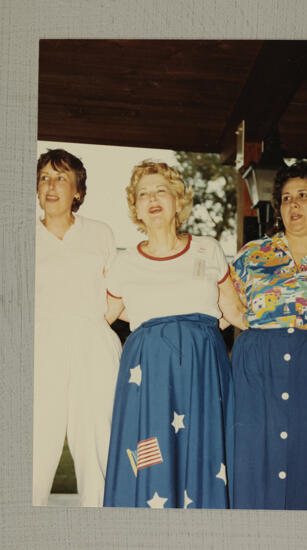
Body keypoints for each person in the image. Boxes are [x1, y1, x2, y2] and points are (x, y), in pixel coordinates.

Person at [103, 160, 246, 509]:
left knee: (204, 458)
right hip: (148, 377)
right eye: (143, 194)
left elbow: (235, 312)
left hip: (202, 371)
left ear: (178, 201)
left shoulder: (207, 249)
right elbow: (103, 317)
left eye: (161, 191)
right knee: (152, 459)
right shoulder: (123, 264)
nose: (152, 199)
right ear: (135, 207)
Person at [230, 161, 307, 510]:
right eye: (285, 198)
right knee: (255, 474)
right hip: (258, 381)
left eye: (303, 196)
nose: (293, 205)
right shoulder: (252, 256)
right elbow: (217, 310)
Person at [33, 149, 121, 507]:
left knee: (96, 448)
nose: (50, 185)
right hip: (39, 348)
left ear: (78, 192)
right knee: (34, 450)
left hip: (92, 347)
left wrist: (91, 329)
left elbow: (118, 293)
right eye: (44, 178)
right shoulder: (18, 236)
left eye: (60, 178)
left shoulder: (99, 233)